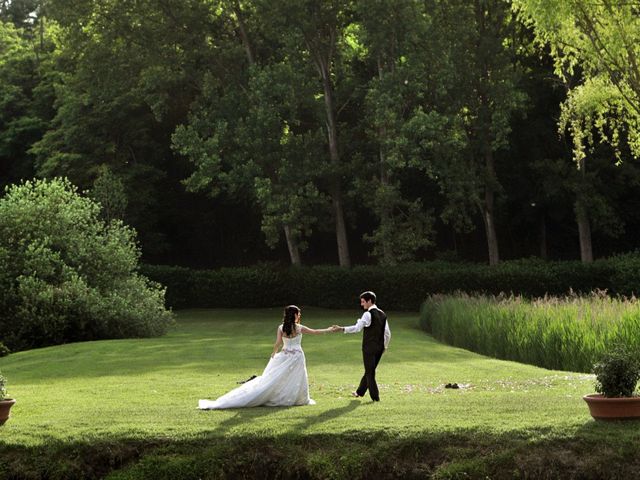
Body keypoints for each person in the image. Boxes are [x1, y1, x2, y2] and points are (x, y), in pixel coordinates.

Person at [199, 305, 335, 409]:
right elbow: (316, 332)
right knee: (295, 377)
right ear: (295, 315)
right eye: (298, 313)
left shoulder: (281, 327)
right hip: (297, 356)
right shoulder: (299, 328)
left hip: (285, 355)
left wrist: (274, 353)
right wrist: (329, 330)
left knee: (278, 377)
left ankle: (287, 397)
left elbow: (278, 343)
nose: (300, 315)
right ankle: (294, 398)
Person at [332, 291, 390, 402]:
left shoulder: (367, 314)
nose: (361, 304)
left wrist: (342, 329)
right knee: (370, 370)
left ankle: (375, 398)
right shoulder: (382, 314)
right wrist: (385, 346)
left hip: (369, 348)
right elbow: (387, 333)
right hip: (379, 348)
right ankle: (360, 392)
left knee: (370, 372)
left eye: (363, 302)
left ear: (369, 301)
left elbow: (357, 328)